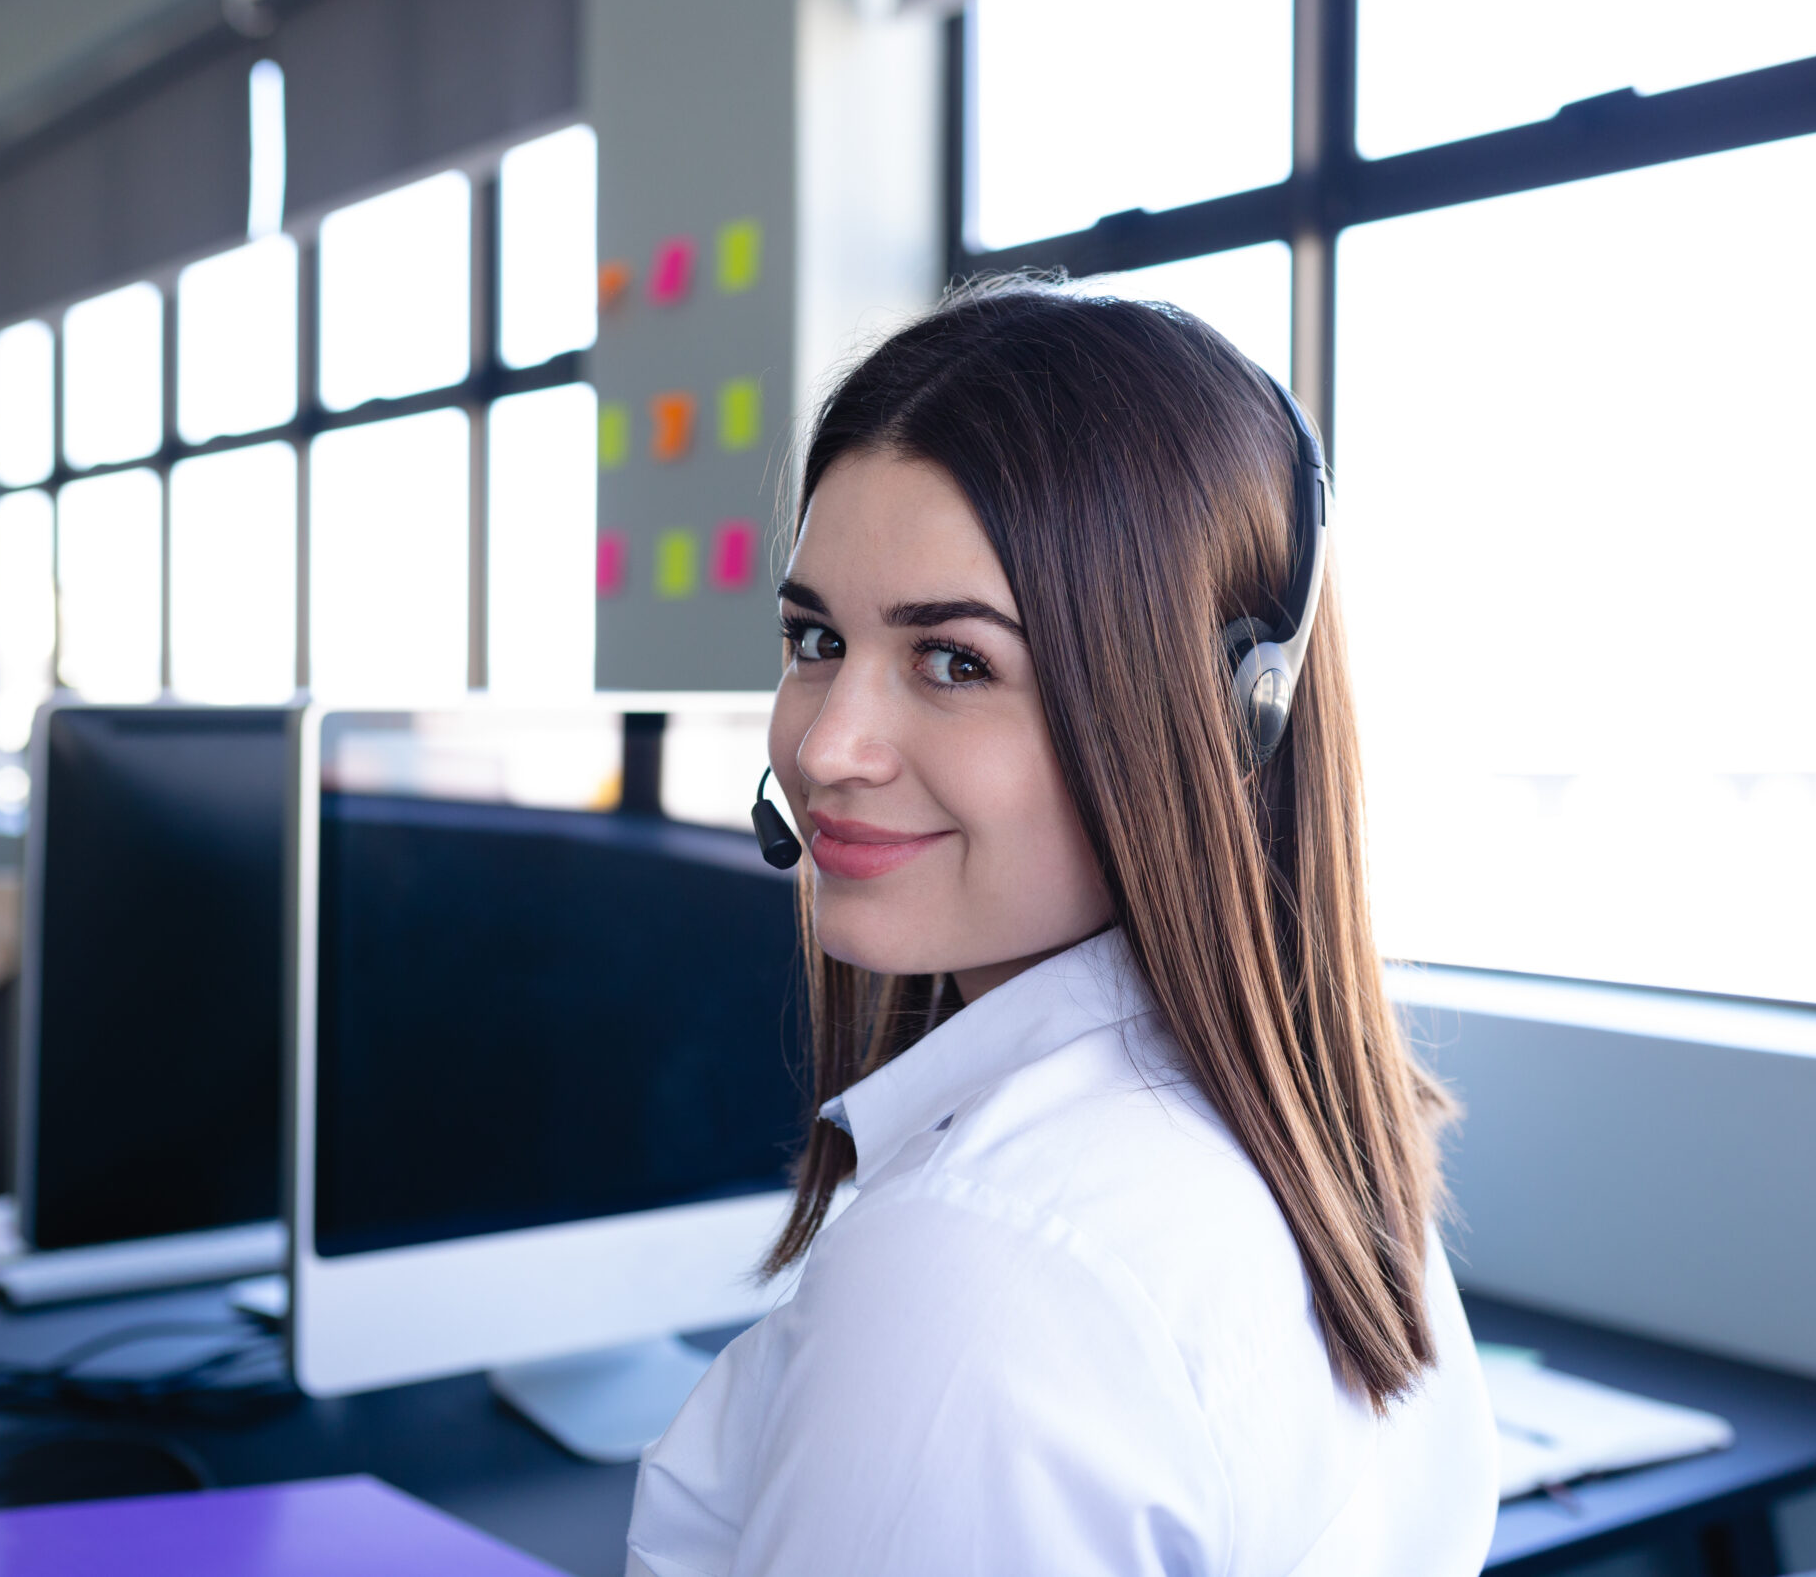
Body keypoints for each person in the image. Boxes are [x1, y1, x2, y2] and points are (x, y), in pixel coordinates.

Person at [627, 279, 1497, 1576]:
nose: (826, 743)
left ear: (1222, 718)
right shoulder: (1318, 1149)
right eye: (815, 637)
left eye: (955, 661)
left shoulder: (982, 1276)